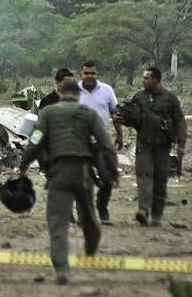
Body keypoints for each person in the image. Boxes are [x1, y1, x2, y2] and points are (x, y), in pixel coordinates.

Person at [19, 81, 118, 285]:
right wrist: (112, 171)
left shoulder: (48, 113)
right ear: (79, 94)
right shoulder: (88, 114)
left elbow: (36, 139)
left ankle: (62, 268)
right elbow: (106, 143)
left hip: (59, 172)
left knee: (57, 221)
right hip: (83, 172)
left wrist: (24, 163)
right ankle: (90, 250)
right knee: (89, 217)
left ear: (59, 92)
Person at [120, 67, 187, 226]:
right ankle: (143, 210)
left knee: (160, 180)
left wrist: (181, 144)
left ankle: (157, 215)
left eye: (147, 78)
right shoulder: (139, 97)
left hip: (163, 145)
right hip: (144, 143)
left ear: (156, 80)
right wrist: (124, 117)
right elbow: (132, 117)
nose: (143, 81)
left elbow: (180, 121)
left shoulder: (169, 99)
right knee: (143, 176)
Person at [78, 61, 122, 225]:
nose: (89, 76)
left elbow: (115, 113)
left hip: (101, 143)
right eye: (86, 73)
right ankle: (83, 216)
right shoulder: (75, 91)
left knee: (107, 177)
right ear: (81, 74)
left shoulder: (107, 90)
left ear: (97, 74)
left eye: (92, 73)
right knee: (82, 181)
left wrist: (120, 135)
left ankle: (102, 207)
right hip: (81, 144)